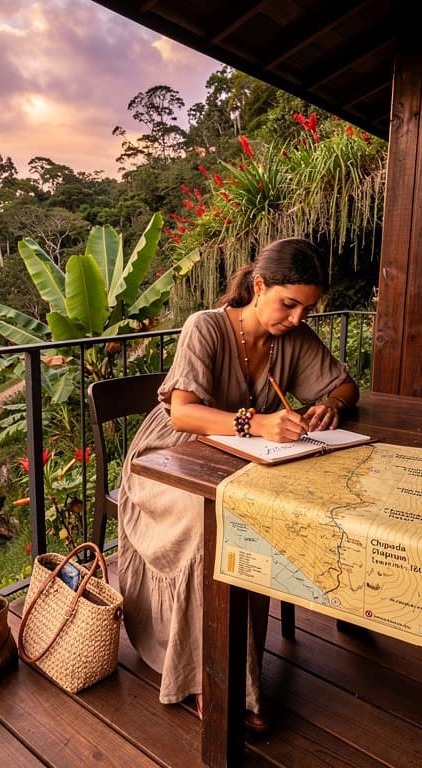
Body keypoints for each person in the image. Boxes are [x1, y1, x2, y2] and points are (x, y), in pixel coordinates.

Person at [116, 237, 359, 731]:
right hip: (170, 457)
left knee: (254, 513)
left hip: (239, 462)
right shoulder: (204, 326)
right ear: (259, 285)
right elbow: (182, 413)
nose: (295, 318)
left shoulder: (292, 337)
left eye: (306, 309)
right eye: (288, 303)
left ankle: (237, 671)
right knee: (211, 523)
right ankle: (208, 679)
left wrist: (331, 404)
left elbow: (344, 384)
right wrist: (256, 423)